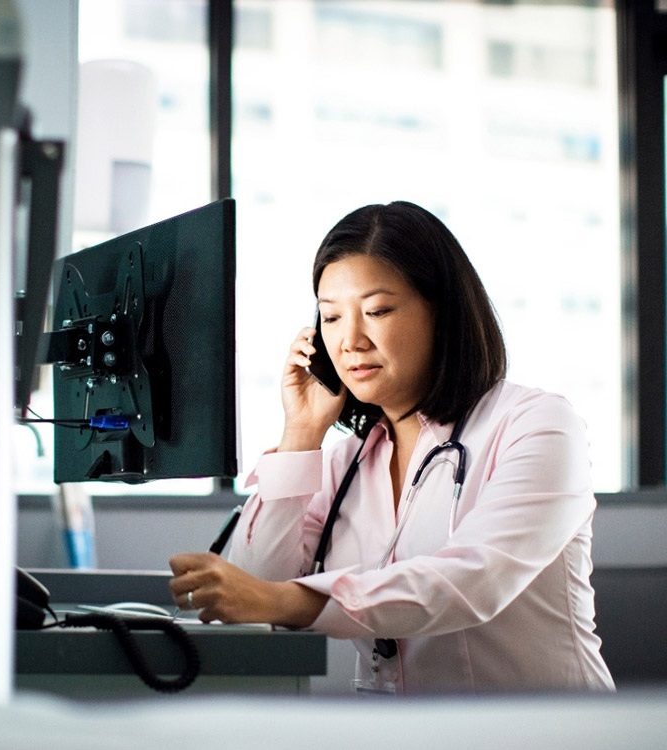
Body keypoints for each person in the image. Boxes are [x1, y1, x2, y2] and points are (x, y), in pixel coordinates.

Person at [168, 201, 615, 695]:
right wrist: (301, 433)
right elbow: (255, 591)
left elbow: (473, 581)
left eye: (377, 310)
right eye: (332, 317)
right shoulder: (345, 463)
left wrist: (283, 601)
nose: (350, 341)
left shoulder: (537, 424)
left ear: (442, 314)